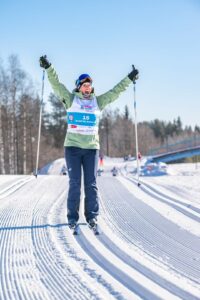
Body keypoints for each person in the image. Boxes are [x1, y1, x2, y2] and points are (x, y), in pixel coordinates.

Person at [39, 55, 139, 229]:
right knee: (75, 183)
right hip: (73, 148)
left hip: (91, 149)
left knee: (91, 184)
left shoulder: (97, 102)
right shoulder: (70, 99)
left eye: (89, 85)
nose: (87, 88)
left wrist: (129, 78)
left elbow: (115, 91)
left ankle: (92, 216)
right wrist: (48, 67)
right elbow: (56, 84)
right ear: (79, 86)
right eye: (84, 85)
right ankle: (72, 217)